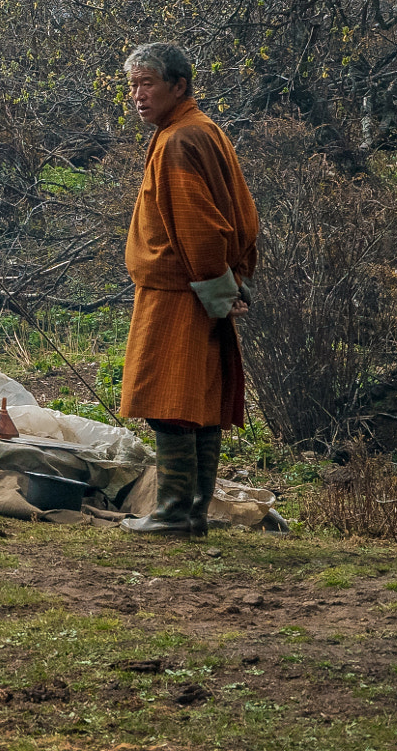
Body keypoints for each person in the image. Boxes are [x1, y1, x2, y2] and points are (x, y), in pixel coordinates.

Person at [118, 42, 258, 537]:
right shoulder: (197, 130)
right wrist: (230, 285)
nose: (137, 94)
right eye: (133, 84)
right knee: (196, 406)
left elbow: (201, 228)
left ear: (179, 86)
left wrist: (221, 291)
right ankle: (191, 513)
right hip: (198, 291)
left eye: (147, 83)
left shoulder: (180, 139)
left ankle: (176, 513)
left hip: (181, 296)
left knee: (172, 406)